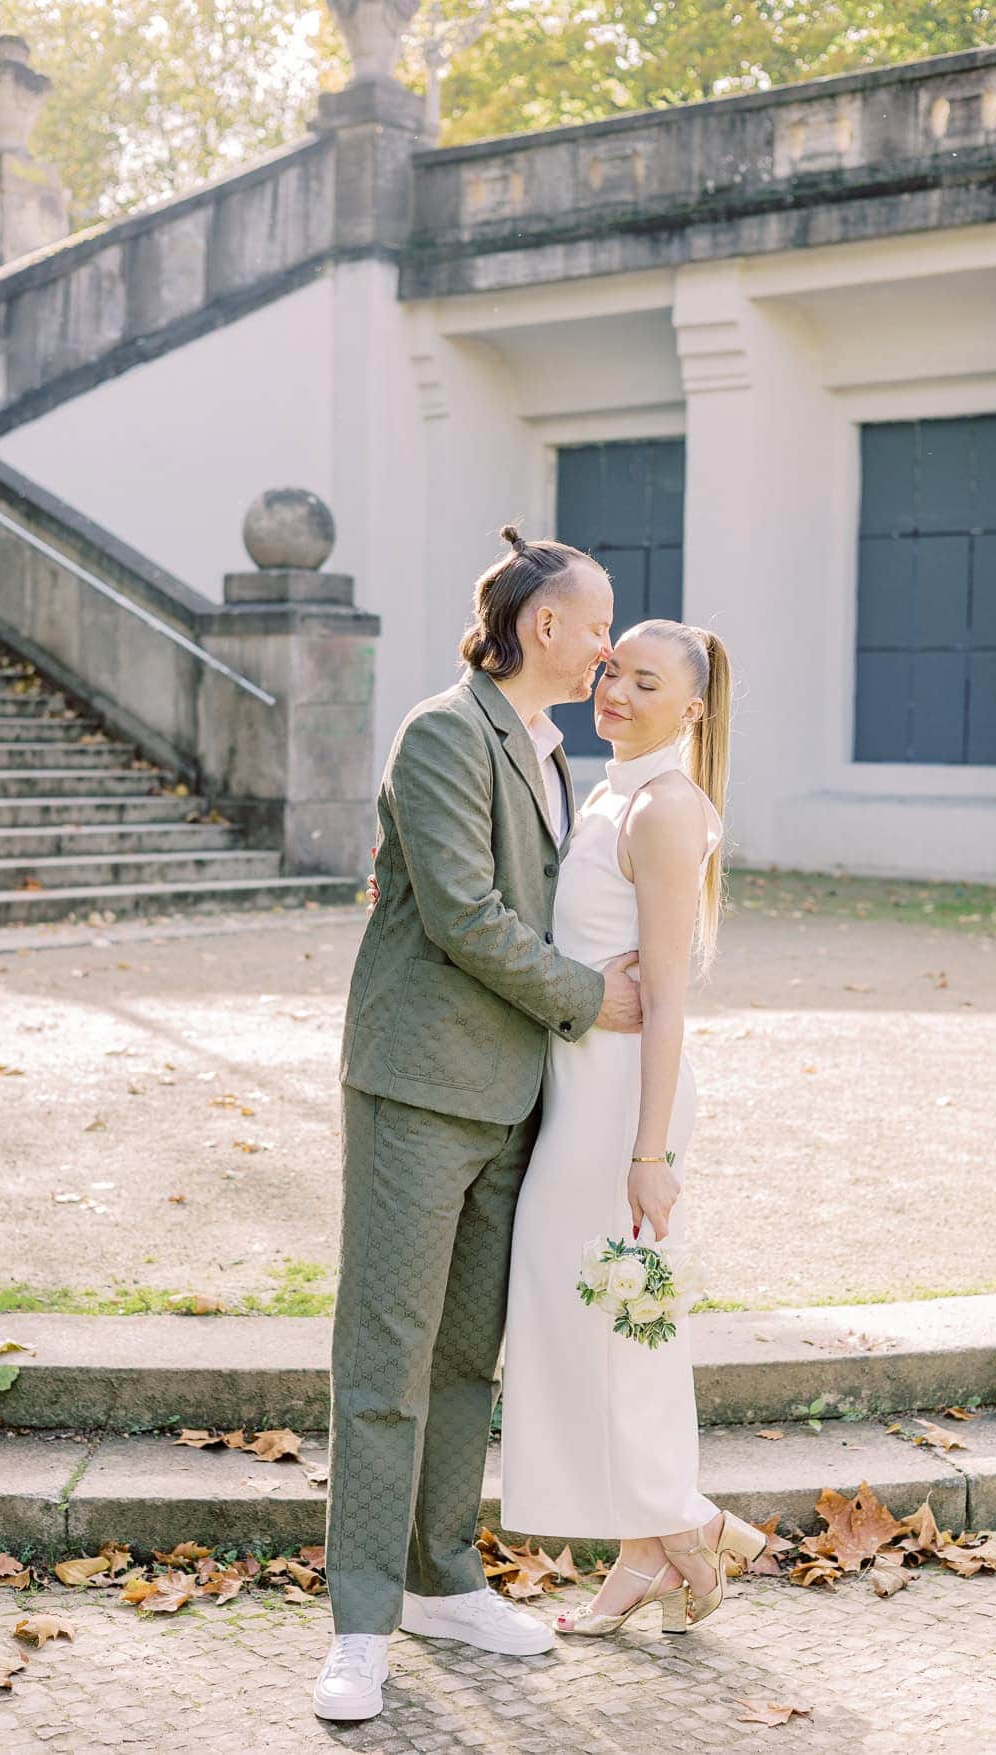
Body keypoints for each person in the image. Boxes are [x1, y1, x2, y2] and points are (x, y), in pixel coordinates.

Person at [315, 526, 644, 1722]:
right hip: (419, 1088)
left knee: (465, 1359)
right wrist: (590, 998)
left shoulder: (552, 751)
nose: (607, 646)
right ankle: (360, 1626)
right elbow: (463, 912)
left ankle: (441, 1579)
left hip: (516, 1098)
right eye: (598, 625)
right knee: (386, 1361)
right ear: (544, 627)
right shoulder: (446, 732)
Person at [501, 614, 767, 1636]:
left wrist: (649, 1153)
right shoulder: (608, 791)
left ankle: (685, 1528)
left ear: (692, 708)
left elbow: (666, 999)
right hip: (580, 1087)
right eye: (613, 670)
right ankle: (653, 1546)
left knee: (623, 1319)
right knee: (585, 1317)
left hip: (625, 1104)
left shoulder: (665, 808)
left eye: (646, 682)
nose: (615, 690)